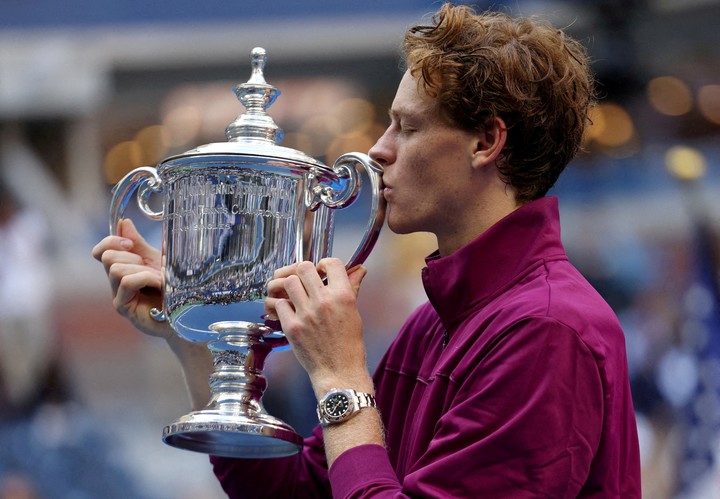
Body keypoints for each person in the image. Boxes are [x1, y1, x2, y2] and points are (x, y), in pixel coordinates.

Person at [92, 3, 641, 497]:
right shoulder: (435, 324)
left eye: (407, 128)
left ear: (485, 143)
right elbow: (294, 489)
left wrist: (340, 378)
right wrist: (197, 334)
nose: (378, 150)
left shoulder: (547, 330)